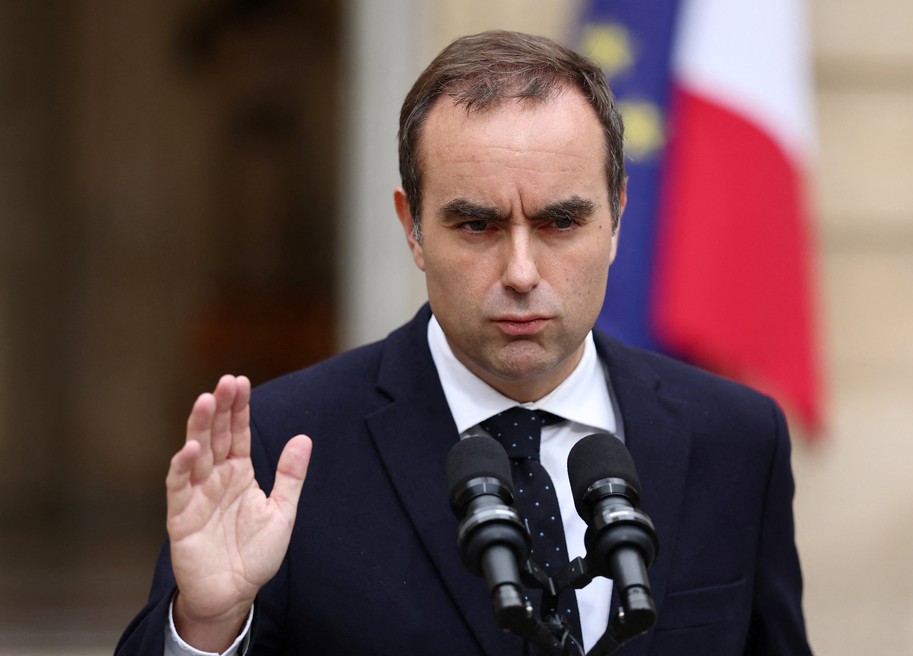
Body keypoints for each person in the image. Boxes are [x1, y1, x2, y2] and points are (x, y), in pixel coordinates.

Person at [116, 30, 811, 655]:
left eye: (561, 223)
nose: (521, 273)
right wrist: (207, 627)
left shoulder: (737, 439)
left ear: (618, 218)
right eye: (477, 225)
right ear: (413, 229)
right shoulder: (283, 446)